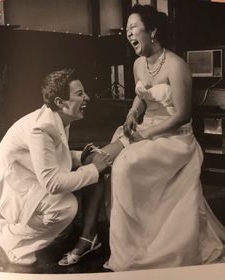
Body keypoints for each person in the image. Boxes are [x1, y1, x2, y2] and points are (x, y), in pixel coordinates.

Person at [60, 4, 225, 271]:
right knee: (101, 159)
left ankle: (141, 250)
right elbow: (141, 96)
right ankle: (95, 238)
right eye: (127, 30)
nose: (128, 33)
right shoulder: (138, 64)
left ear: (153, 31)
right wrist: (131, 114)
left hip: (174, 138)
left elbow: (183, 115)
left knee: (124, 168)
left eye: (134, 28)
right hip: (142, 130)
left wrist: (147, 134)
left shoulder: (176, 65)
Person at [0, 68, 112, 265]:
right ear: (60, 102)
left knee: (61, 225)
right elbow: (52, 183)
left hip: (24, 173)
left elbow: (49, 157)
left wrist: (82, 157)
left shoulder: (59, 117)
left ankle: (7, 221)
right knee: (65, 208)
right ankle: (11, 238)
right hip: (9, 180)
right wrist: (93, 169)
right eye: (80, 94)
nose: (87, 98)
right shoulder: (42, 128)